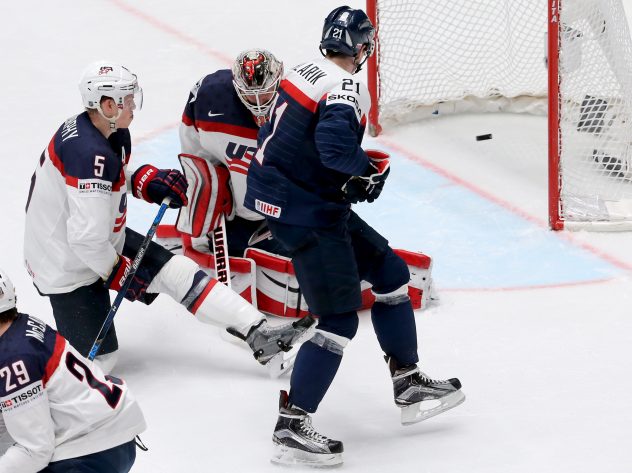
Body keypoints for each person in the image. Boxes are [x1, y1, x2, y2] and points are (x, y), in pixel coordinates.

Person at [244, 6, 465, 467]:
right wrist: (364, 173)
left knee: (389, 271)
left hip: (298, 199)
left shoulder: (304, 70)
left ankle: (408, 381)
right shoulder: (345, 84)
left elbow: (295, 141)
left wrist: (342, 180)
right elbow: (333, 147)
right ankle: (292, 425)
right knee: (339, 321)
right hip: (306, 214)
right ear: (360, 47)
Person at [23, 61, 313, 373]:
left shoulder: (103, 133)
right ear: (108, 105)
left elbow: (106, 183)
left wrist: (141, 180)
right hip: (65, 265)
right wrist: (116, 271)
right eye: (128, 100)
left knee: (177, 272)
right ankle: (21, 362)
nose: (134, 104)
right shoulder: (88, 154)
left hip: (101, 240)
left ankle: (259, 333)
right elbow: (85, 237)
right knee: (99, 365)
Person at [0, 268, 145, 473]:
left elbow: (34, 450)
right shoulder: (20, 327)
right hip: (108, 439)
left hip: (91, 452)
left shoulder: (13, 359)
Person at [177, 49, 286, 257]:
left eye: (264, 92)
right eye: (248, 93)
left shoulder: (299, 103)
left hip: (285, 219)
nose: (258, 101)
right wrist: (201, 217)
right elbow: (196, 165)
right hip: (235, 218)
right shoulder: (208, 96)